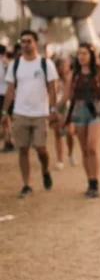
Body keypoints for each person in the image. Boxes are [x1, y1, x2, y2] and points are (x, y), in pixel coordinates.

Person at [1, 30, 58, 197]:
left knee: (41, 148)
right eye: (23, 41)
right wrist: (5, 111)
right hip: (20, 112)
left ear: (36, 43)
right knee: (23, 150)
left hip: (40, 113)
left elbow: (53, 89)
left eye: (29, 41)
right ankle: (27, 184)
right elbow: (10, 90)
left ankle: (45, 170)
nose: (25, 44)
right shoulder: (15, 64)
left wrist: (53, 110)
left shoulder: (45, 64)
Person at [65, 43, 100, 197]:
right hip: (78, 113)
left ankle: (95, 181)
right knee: (84, 150)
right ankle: (89, 182)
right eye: (79, 54)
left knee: (92, 147)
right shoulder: (73, 75)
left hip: (96, 112)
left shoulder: (99, 74)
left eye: (85, 53)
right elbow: (66, 97)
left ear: (91, 56)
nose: (81, 57)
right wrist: (55, 111)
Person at [51, 55, 75, 169]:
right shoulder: (54, 79)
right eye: (61, 65)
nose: (63, 68)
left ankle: (70, 153)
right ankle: (60, 159)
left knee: (70, 132)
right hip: (57, 106)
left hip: (69, 107)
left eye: (66, 65)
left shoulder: (72, 78)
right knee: (58, 133)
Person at [0, 44, 14, 152]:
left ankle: (8, 140)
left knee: (4, 119)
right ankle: (9, 140)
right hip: (9, 94)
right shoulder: (9, 64)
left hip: (1, 95)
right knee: (8, 118)